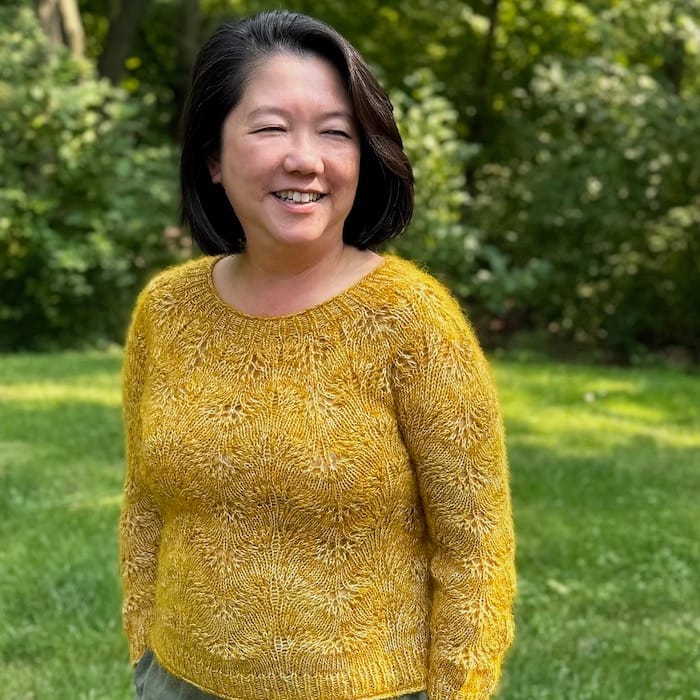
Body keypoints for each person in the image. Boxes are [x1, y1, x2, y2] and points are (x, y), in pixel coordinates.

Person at [119, 10, 515, 700]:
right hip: (176, 681)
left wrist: (459, 691)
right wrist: (143, 647)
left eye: (336, 132)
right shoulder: (167, 311)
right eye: (272, 126)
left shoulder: (412, 320)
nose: (306, 158)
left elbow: (475, 544)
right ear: (212, 156)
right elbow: (146, 503)